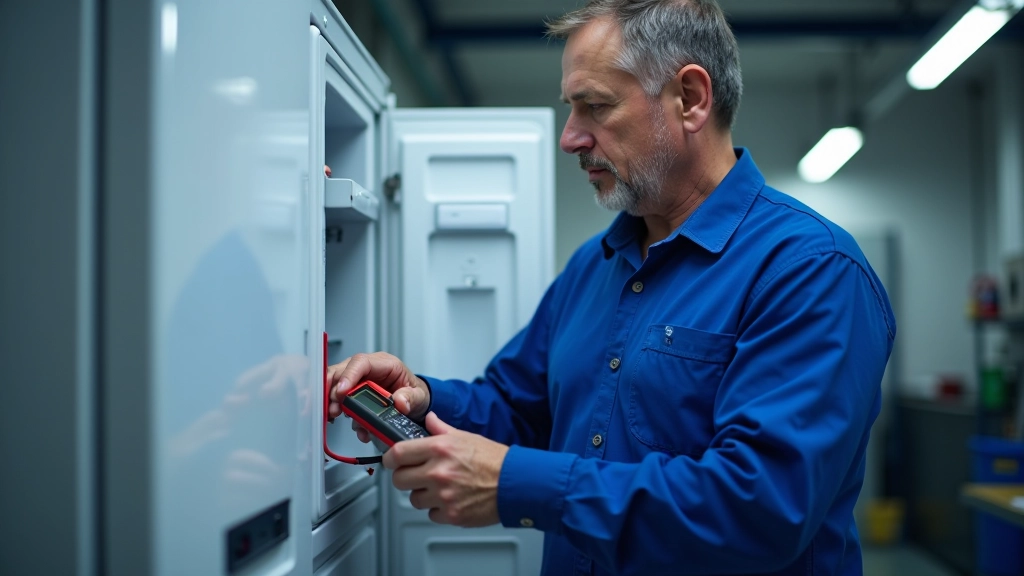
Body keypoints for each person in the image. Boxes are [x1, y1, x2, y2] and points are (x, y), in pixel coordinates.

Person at [328, 1, 896, 574]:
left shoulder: (810, 269)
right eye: (571, 110)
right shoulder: (593, 267)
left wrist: (520, 484)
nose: (570, 138)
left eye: (595, 107)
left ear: (691, 99)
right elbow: (519, 409)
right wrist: (420, 397)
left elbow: (761, 509)